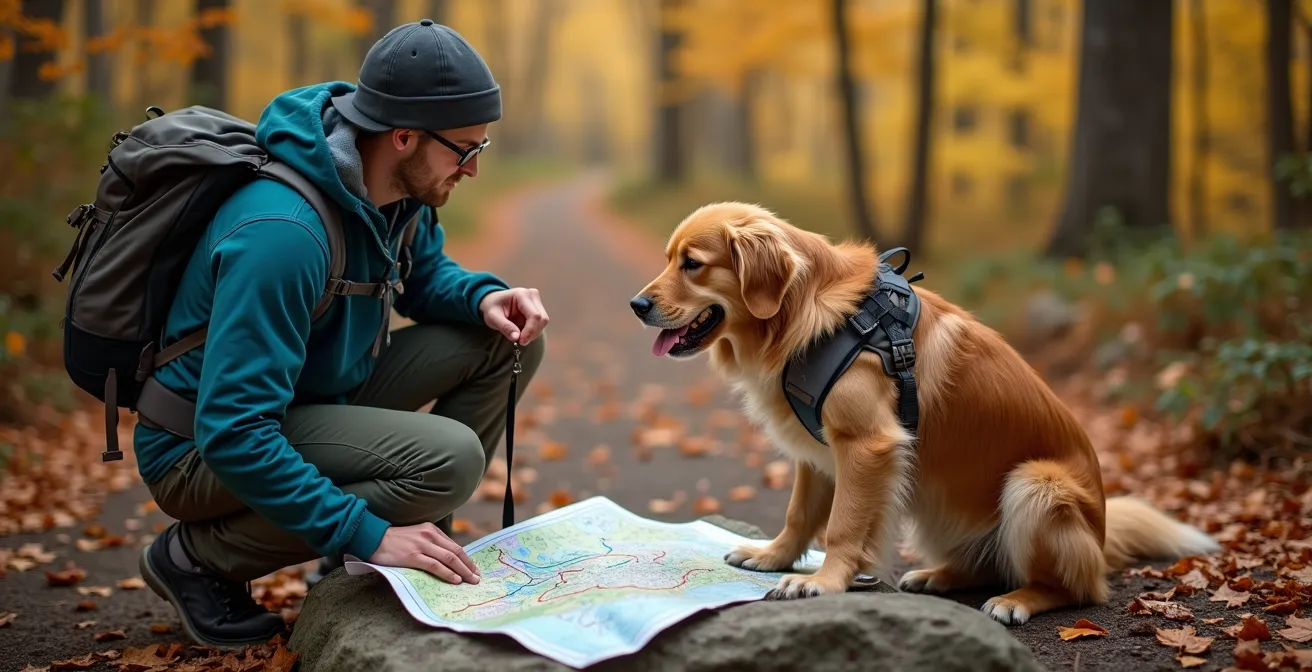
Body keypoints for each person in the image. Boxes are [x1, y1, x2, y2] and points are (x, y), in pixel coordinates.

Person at [133, 19, 548, 649]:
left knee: (509, 338)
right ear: (405, 137)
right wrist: (368, 530)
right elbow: (235, 429)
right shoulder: (283, 234)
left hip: (309, 399)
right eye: (465, 150)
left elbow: (423, 275)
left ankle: (406, 552)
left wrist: (486, 296)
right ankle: (196, 558)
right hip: (197, 445)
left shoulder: (399, 194)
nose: (472, 169)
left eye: (479, 150)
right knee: (450, 459)